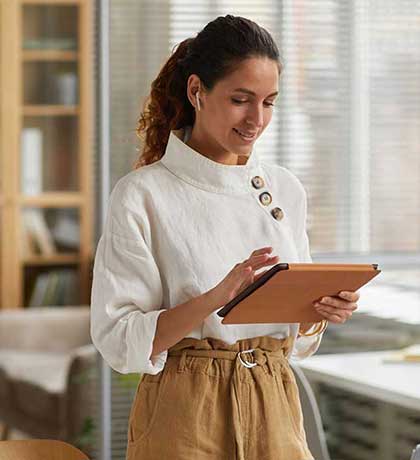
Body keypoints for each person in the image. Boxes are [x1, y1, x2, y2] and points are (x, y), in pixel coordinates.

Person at [90, 14, 360, 460]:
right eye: (241, 99)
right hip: (184, 410)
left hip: (274, 399)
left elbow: (299, 340)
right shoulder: (143, 195)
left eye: (269, 102)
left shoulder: (285, 189)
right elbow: (119, 338)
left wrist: (319, 312)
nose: (257, 119)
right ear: (197, 91)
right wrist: (216, 296)